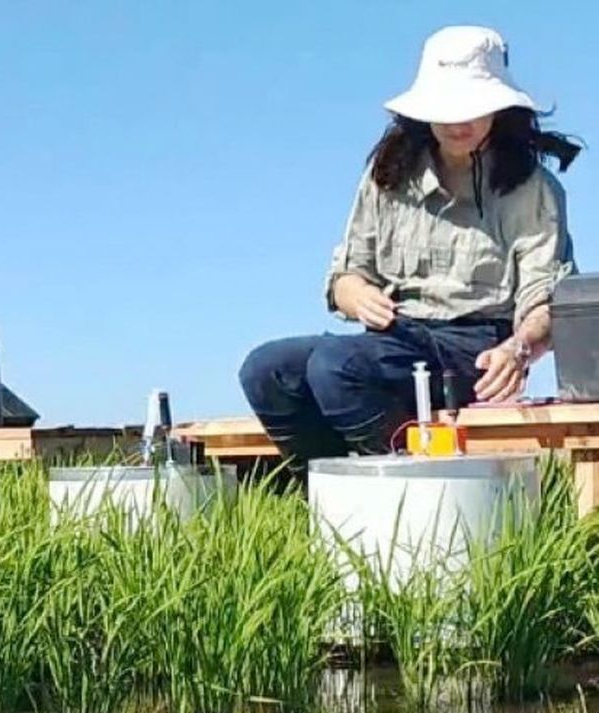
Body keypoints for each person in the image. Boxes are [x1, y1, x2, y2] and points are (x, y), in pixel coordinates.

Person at [238, 26, 580, 476]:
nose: (461, 121)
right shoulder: (386, 176)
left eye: (474, 108)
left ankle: (426, 486)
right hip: (395, 337)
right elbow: (347, 275)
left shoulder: (531, 189)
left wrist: (517, 350)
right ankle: (326, 491)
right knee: (266, 369)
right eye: (448, 107)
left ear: (500, 109)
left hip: (475, 348)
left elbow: (546, 298)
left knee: (335, 367)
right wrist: (354, 293)